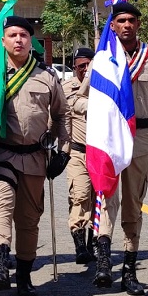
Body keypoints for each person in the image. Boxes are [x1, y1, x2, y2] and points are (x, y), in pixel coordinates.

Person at [0, 16, 70, 296]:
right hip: (0, 155)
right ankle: (0, 262)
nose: (18, 40)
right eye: (12, 35)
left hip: (36, 158)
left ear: (30, 41)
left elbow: (62, 115)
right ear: (2, 41)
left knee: (28, 220)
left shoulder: (46, 77)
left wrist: (62, 151)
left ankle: (24, 276)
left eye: (24, 35)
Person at [80, 3, 148, 295]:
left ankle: (130, 268)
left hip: (141, 137)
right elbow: (79, 99)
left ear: (138, 24)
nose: (126, 25)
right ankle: (103, 260)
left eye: (131, 20)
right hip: (109, 137)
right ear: (112, 26)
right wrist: (97, 113)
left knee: (134, 203)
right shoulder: (102, 60)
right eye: (120, 20)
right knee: (106, 195)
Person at [63, 47, 96, 264]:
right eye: (80, 66)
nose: (84, 69)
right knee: (80, 196)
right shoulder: (66, 88)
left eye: (88, 65)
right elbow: (58, 118)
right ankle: (80, 245)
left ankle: (94, 242)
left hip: (101, 155)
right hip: (77, 152)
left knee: (98, 200)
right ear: (74, 67)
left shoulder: (104, 87)